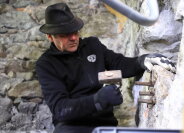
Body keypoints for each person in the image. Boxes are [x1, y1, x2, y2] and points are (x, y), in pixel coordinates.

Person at [36, 2, 176, 133]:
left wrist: (141, 61)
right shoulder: (46, 64)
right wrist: (98, 100)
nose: (73, 38)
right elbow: (60, 109)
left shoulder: (92, 45)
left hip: (104, 123)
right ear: (50, 37)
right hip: (71, 127)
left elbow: (119, 63)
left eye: (75, 31)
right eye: (65, 35)